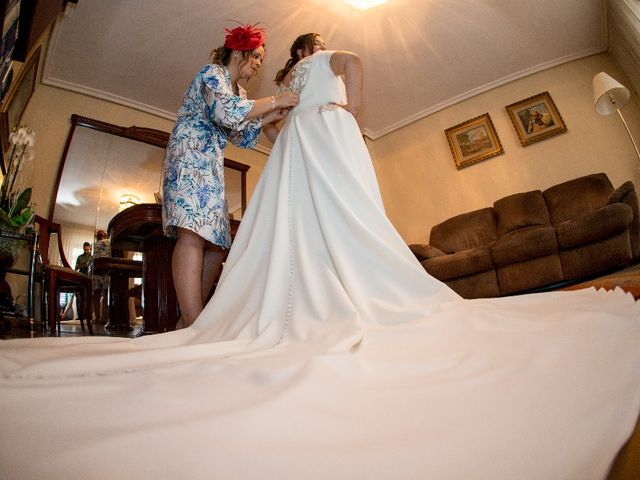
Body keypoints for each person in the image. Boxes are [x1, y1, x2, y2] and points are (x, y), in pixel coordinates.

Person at [0, 34, 639, 480]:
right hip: (262, 150)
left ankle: (286, 303)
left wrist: (341, 109)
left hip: (313, 137)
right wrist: (286, 106)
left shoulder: (316, 70)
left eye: (272, 66)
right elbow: (254, 120)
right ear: (258, 56)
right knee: (253, 232)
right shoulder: (235, 79)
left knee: (296, 223)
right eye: (260, 64)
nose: (265, 71)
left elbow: (273, 113)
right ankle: (228, 316)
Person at [162, 23, 299, 328]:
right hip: (189, 155)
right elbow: (226, 112)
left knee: (217, 242)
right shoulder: (212, 73)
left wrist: (268, 117)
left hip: (210, 162)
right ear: (239, 52)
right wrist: (276, 101)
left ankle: (188, 319)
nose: (259, 63)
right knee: (192, 232)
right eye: (257, 56)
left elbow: (240, 135)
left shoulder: (241, 92)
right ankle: (194, 322)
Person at [91, 229, 110, 325]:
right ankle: (101, 317)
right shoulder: (107, 242)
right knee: (101, 294)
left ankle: (102, 317)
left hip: (101, 270)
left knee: (100, 295)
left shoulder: (102, 243)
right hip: (101, 270)